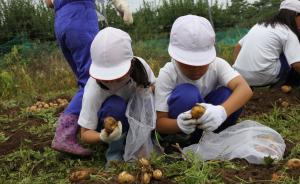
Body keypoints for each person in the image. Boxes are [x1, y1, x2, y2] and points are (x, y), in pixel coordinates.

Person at [44, 0, 133, 156]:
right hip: (81, 20)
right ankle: (66, 134)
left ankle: (88, 123)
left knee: (85, 79)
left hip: (61, 21)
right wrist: (120, 4)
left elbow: (49, 3)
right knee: (93, 79)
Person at [155, 15, 253, 152]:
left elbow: (245, 89)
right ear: (175, 57)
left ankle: (215, 137)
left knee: (228, 94)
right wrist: (178, 124)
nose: (196, 69)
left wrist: (221, 112)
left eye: (201, 63)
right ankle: (181, 143)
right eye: (188, 64)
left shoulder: (217, 65)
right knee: (187, 94)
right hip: (183, 133)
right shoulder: (167, 74)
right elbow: (159, 123)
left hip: (211, 127)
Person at [78, 27, 156, 162]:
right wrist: (102, 136)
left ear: (131, 65)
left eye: (117, 76)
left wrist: (145, 93)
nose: (112, 80)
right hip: (112, 124)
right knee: (115, 105)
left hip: (136, 119)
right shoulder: (94, 89)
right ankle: (115, 152)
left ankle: (147, 139)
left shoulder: (140, 68)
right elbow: (85, 133)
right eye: (106, 77)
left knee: (146, 98)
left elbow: (153, 87)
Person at [233, 0, 300, 87]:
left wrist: (240, 69)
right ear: (295, 15)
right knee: (293, 55)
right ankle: (285, 83)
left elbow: (238, 47)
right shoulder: (288, 32)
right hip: (263, 77)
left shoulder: (260, 25)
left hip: (239, 76)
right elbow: (296, 65)